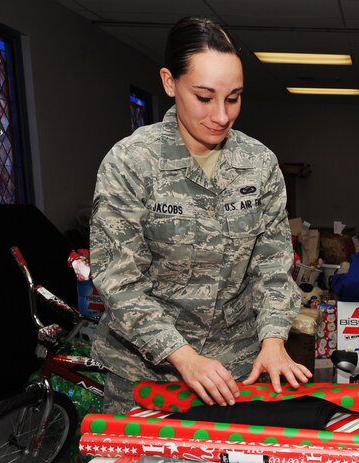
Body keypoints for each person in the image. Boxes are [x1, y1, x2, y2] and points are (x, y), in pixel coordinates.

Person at [90, 16, 311, 415]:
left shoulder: (258, 164)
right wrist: (181, 355)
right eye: (205, 97)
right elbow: (118, 279)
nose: (222, 116)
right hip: (144, 375)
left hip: (236, 373)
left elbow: (274, 267)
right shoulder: (131, 162)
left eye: (234, 97)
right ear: (169, 82)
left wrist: (274, 340)